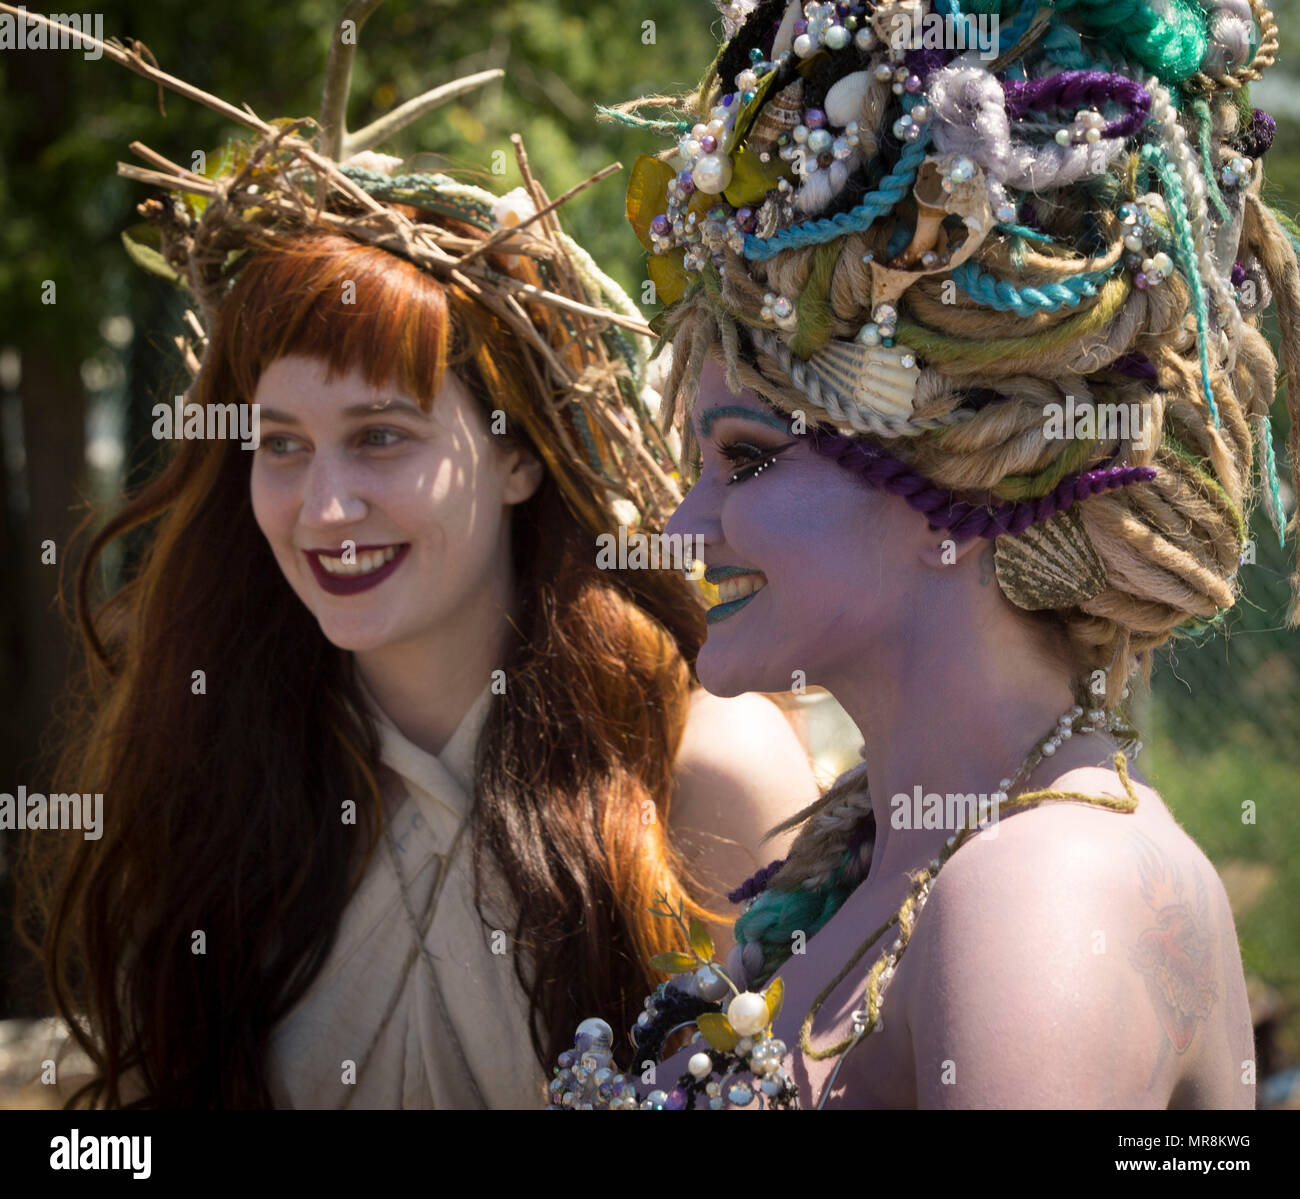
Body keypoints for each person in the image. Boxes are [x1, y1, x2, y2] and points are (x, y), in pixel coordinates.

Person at [17, 11, 819, 1109]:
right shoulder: (212, 761)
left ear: (519, 458)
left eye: (381, 436)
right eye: (281, 445)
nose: (325, 506)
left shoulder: (699, 768)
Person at [549, 0, 1299, 1108]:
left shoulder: (1044, 888)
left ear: (962, 471)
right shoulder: (863, 858)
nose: (679, 530)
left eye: (745, 458)